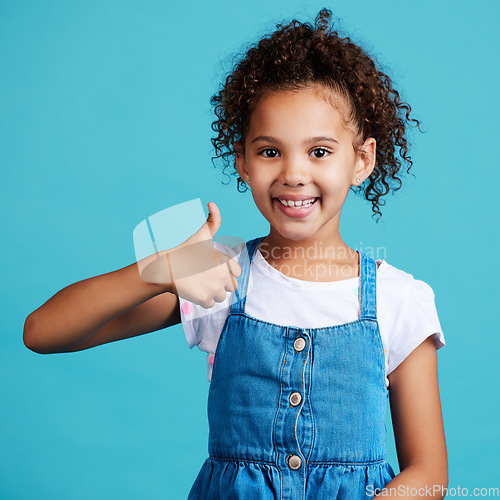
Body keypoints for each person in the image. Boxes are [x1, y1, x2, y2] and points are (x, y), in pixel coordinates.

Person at [24, 8, 448, 499]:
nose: (293, 173)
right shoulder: (215, 277)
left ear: (362, 160)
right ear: (242, 162)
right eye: (270, 151)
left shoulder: (400, 299)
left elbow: (430, 473)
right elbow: (42, 333)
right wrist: (158, 272)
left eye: (319, 151)